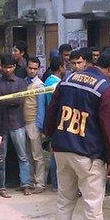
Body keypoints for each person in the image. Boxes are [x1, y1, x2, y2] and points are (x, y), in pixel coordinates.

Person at [44, 51, 110, 220]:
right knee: (92, 206)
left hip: (62, 148)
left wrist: (50, 136)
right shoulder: (106, 91)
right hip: (88, 154)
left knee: (64, 201)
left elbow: (52, 111)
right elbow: (109, 129)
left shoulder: (67, 79)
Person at [0, 54, 32, 194]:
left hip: (17, 123)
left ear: (15, 67)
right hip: (1, 124)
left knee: (23, 155)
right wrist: (9, 101)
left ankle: (25, 184)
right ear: (1, 67)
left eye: (10, 67)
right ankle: (2, 185)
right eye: (5, 67)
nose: (7, 70)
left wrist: (4, 101)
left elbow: (19, 101)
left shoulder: (21, 82)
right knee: (1, 157)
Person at [23, 56, 47, 193]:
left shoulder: (40, 85)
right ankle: (30, 181)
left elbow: (41, 108)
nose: (32, 71)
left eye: (35, 68)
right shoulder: (24, 82)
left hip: (33, 123)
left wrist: (39, 126)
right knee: (27, 154)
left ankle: (40, 183)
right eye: (30, 68)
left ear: (39, 69)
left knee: (37, 155)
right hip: (23, 122)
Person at [41, 57, 65, 190]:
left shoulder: (48, 80)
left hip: (50, 119)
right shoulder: (57, 84)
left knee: (53, 152)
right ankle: (56, 184)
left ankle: (52, 180)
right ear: (61, 67)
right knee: (56, 154)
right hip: (57, 120)